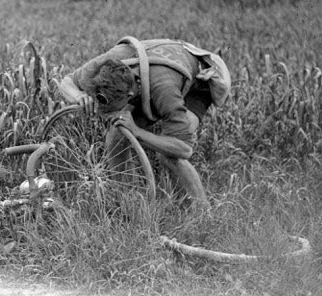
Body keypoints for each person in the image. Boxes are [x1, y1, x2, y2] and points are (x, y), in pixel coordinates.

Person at [58, 37, 231, 208]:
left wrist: (138, 132)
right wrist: (78, 97)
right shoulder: (106, 64)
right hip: (152, 69)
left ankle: (202, 211)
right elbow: (67, 82)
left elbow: (184, 148)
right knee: (116, 137)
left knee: (169, 155)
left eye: (111, 106)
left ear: (130, 95)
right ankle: (129, 204)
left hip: (197, 83)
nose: (105, 112)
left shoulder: (164, 89)